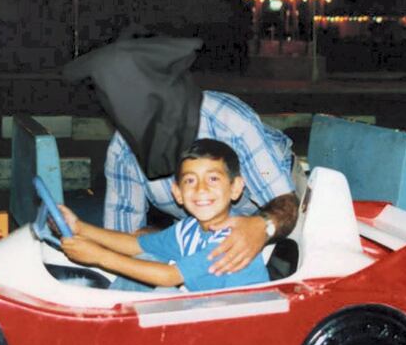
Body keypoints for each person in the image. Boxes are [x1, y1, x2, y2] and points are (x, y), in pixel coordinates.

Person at [63, 32, 303, 277]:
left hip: (272, 199)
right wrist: (79, 230)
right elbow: (126, 236)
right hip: (202, 219)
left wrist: (263, 226)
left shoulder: (228, 120)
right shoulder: (124, 150)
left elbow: (285, 203)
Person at [58, 139, 270, 292]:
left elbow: (169, 277)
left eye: (213, 179)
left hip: (238, 324)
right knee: (147, 259)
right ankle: (110, 312)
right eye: (190, 181)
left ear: (235, 188)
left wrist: (99, 257)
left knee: (162, 288)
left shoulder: (230, 239)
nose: (201, 189)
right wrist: (79, 227)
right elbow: (137, 245)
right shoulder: (189, 228)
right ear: (177, 193)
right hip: (206, 306)